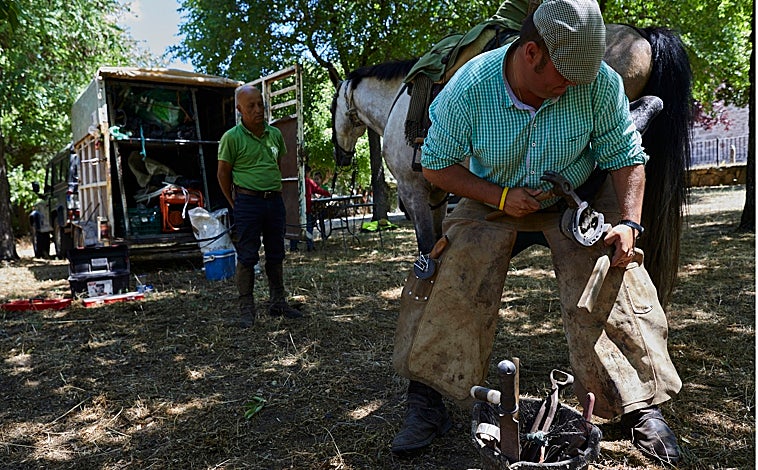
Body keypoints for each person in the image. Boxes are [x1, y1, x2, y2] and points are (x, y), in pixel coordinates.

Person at [390, 0, 682, 466]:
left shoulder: (599, 84)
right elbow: (438, 167)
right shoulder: (469, 88)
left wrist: (628, 223)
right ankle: (428, 398)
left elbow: (627, 158)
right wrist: (501, 197)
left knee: (612, 270)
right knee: (453, 274)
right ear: (531, 54)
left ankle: (638, 405)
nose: (570, 88)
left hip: (576, 193)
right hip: (490, 194)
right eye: (561, 76)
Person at [217, 84, 303, 327]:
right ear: (239, 109)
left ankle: (278, 303)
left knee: (276, 253)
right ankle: (247, 310)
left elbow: (276, 163)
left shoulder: (274, 135)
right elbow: (223, 174)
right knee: (247, 256)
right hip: (247, 202)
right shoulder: (231, 138)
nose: (258, 110)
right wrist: (235, 202)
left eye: (260, 104)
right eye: (251, 106)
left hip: (273, 202)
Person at [290, 165, 331, 252]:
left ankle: (293, 246)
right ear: (307, 172)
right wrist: (328, 194)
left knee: (295, 226)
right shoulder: (308, 182)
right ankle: (310, 245)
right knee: (308, 226)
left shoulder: (294, 181)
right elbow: (318, 190)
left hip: (295, 208)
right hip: (306, 208)